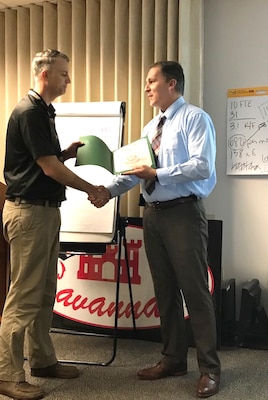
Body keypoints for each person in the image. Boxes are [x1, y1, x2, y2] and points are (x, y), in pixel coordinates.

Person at [91, 61, 221, 398]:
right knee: (163, 289)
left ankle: (210, 369)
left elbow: (202, 165)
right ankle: (174, 359)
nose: (147, 87)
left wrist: (157, 174)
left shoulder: (195, 118)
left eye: (152, 81)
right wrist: (107, 191)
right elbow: (135, 173)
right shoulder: (151, 127)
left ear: (172, 83)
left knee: (194, 290)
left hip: (183, 213)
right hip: (153, 215)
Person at [0, 49, 108, 400]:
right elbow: (47, 168)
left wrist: (65, 154)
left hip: (43, 212)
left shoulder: (43, 111)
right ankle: (6, 376)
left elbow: (43, 161)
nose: (68, 80)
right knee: (24, 297)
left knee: (44, 294)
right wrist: (91, 188)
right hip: (29, 213)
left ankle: (43, 361)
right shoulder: (30, 111)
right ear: (45, 75)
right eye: (63, 74)